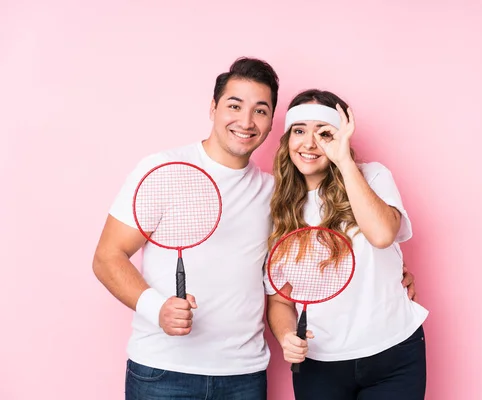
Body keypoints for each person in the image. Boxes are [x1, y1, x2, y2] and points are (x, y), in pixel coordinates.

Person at [92, 57, 418, 400]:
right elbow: (107, 256)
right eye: (235, 105)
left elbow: (362, 240)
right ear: (213, 107)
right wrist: (154, 308)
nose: (246, 121)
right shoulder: (163, 169)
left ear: (270, 122)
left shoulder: (274, 195)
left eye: (260, 111)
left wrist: (394, 274)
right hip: (163, 372)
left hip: (244, 376)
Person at [266, 89, 429, 400]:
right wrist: (287, 336)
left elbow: (381, 235)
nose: (309, 143)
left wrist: (343, 160)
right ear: (287, 139)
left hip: (394, 353)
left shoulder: (373, 176)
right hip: (319, 364)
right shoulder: (277, 208)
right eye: (299, 131)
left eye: (324, 133)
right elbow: (280, 300)